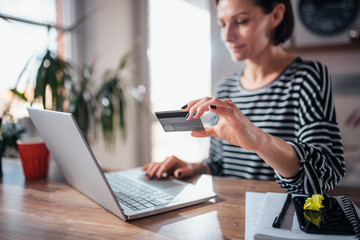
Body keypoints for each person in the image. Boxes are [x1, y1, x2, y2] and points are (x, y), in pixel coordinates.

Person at [143, 0, 346, 195]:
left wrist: (259, 140)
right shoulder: (225, 88)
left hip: (279, 220)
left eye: (240, 21)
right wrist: (194, 168)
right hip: (227, 218)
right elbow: (219, 166)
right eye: (223, 24)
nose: (227, 36)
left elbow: (324, 174)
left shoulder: (307, 77)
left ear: (275, 16)